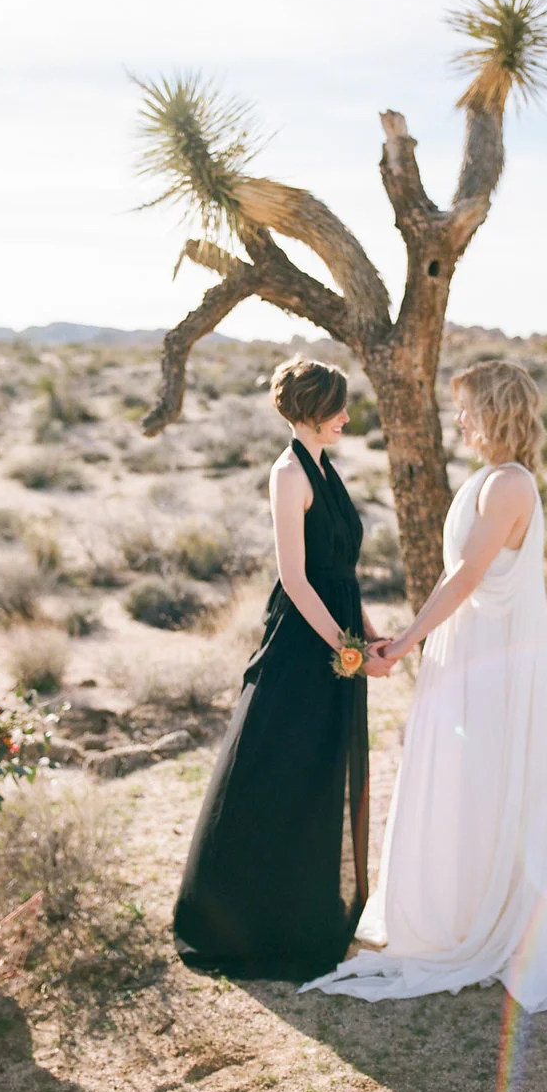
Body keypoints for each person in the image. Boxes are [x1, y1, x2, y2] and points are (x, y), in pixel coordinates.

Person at [302, 359, 547, 1013]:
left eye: (468, 406)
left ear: (496, 410)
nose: (460, 418)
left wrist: (409, 636)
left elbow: (468, 576)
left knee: (480, 777)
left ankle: (475, 917)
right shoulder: (488, 478)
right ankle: (454, 901)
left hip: (492, 660)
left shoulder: (508, 484)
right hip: (469, 648)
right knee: (460, 776)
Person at [173, 355, 395, 980]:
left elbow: (341, 575)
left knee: (321, 771)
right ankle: (250, 918)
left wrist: (370, 634)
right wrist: (347, 651)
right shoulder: (288, 473)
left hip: (337, 633)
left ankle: (311, 909)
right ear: (309, 411)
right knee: (278, 768)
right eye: (337, 408)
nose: (347, 417)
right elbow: (296, 579)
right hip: (304, 645)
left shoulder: (325, 466)